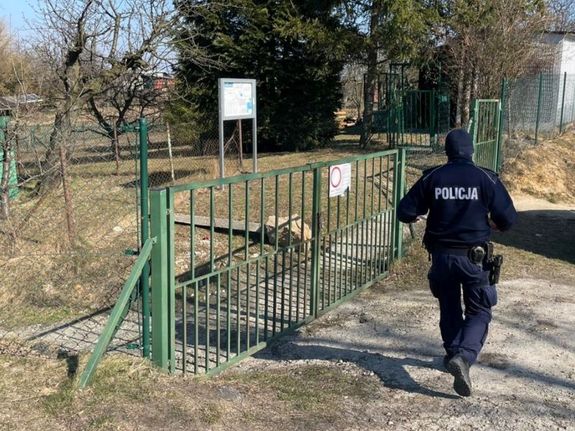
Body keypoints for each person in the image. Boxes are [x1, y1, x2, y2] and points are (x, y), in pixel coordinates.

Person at [397, 128, 517, 397]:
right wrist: (494, 224)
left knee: (449, 306)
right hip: (475, 259)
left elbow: (404, 211)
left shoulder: (433, 177)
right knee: (480, 310)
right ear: (471, 150)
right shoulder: (486, 177)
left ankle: (453, 353)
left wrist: (416, 216)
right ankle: (463, 357)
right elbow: (508, 219)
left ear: (447, 151)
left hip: (441, 257)